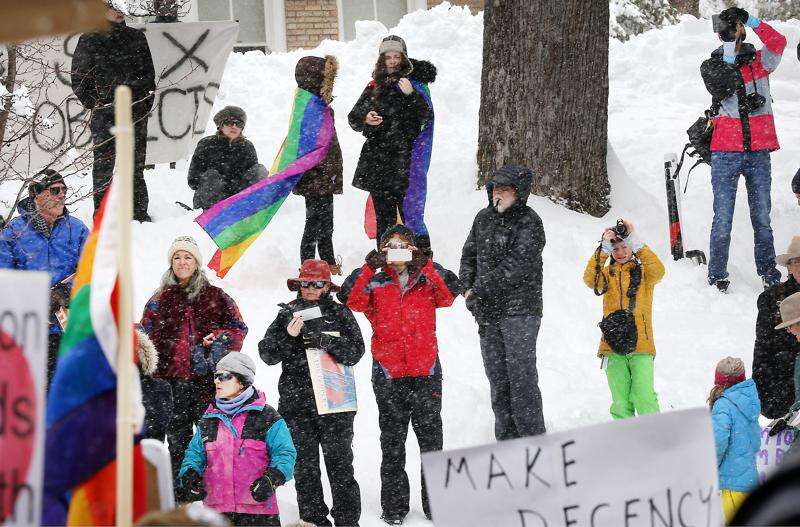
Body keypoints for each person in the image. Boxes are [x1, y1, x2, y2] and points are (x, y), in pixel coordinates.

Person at [340, 224, 455, 525]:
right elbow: (352, 301)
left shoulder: (427, 280)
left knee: (432, 443)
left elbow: (447, 297)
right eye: (389, 244)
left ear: (413, 249)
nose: (396, 248)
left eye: (402, 244)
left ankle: (438, 505)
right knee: (392, 444)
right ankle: (393, 508)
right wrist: (369, 266)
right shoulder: (376, 283)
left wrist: (425, 264)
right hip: (389, 375)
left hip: (426, 372)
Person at [258, 259, 364, 527]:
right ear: (298, 284)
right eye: (306, 283)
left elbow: (356, 352)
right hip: (296, 405)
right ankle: (313, 520)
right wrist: (286, 335)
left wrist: (326, 341)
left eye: (318, 283)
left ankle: (348, 521)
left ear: (327, 285)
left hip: (335, 403)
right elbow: (267, 354)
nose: (311, 288)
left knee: (340, 467)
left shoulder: (341, 314)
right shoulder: (287, 314)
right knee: (304, 468)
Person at [139, 236, 248, 492]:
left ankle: (217, 493)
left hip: (208, 383)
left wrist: (219, 341)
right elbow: (144, 339)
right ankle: (182, 496)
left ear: (197, 262)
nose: (182, 262)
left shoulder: (216, 296)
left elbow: (238, 328)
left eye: (187, 256)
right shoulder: (159, 300)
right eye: (176, 257)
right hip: (171, 384)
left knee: (212, 439)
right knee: (178, 441)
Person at [700, 7, 787, 292]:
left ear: (741, 28)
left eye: (732, 25)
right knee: (723, 217)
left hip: (758, 151)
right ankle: (717, 274)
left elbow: (779, 42)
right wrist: (727, 45)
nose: (726, 29)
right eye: (723, 27)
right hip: (725, 152)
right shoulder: (711, 64)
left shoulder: (760, 62)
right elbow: (722, 83)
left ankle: (769, 273)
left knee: (762, 217)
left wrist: (751, 19)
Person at [459, 165, 547, 439]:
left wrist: (479, 290)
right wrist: (467, 289)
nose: (498, 193)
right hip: (488, 313)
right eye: (495, 188)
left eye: (505, 188)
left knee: (522, 379)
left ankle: (533, 443)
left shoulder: (530, 222)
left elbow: (516, 266)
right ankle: (507, 443)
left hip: (520, 311)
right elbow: (468, 256)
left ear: (519, 192)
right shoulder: (482, 219)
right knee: (498, 380)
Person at [178, 353, 296, 527]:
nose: (217, 381)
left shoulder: (267, 416)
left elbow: (285, 453)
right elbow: (194, 454)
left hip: (259, 513)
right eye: (215, 376)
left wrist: (272, 479)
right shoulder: (209, 419)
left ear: (242, 382)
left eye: (224, 376)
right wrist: (189, 474)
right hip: (215, 515)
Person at [0, 169, 89, 389]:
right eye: (55, 190)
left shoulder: (77, 229)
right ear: (36, 195)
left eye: (64, 190)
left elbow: (94, 271)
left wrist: (64, 293)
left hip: (69, 328)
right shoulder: (14, 231)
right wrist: (36, 296)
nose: (62, 195)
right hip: (29, 330)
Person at [348, 35, 436, 247]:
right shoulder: (373, 86)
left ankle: (416, 261)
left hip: (403, 163)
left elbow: (424, 117)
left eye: (397, 56)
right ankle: (385, 263)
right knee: (384, 219)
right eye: (388, 57)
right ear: (382, 59)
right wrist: (366, 118)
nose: (393, 61)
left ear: (404, 58)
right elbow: (353, 118)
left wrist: (411, 95)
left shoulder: (412, 85)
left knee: (408, 218)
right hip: (377, 163)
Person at [71, 2, 155, 221]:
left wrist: (144, 104)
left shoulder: (136, 38)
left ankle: (138, 212)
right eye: (112, 6)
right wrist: (96, 103)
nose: (117, 11)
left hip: (135, 112)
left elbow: (148, 77)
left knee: (135, 165)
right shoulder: (89, 39)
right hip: (105, 113)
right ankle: (103, 214)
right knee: (104, 166)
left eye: (120, 6)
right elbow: (79, 78)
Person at [582, 219, 665, 420]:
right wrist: (603, 248)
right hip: (612, 345)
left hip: (641, 345)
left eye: (624, 246)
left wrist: (635, 240)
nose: (620, 253)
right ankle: (626, 441)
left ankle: (655, 438)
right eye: (615, 249)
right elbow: (589, 279)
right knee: (620, 401)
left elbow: (659, 271)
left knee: (644, 396)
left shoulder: (644, 273)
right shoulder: (607, 275)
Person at [292, 56, 344, 274]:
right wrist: (324, 171)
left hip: (323, 176)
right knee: (315, 223)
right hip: (316, 176)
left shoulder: (316, 104)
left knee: (325, 223)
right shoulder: (311, 107)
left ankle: (328, 261)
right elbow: (311, 146)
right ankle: (308, 265)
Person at [709, 357, 761, 523]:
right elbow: (755, 441)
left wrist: (709, 467)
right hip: (750, 479)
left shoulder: (723, 405)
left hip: (732, 481)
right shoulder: (749, 402)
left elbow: (718, 442)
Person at [753, 236, 800, 419]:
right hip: (783, 383)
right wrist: (764, 392)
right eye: (797, 261)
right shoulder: (772, 298)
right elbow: (762, 347)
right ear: (788, 266)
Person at [187, 106, 267, 211]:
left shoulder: (247, 147)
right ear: (221, 125)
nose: (234, 126)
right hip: (210, 201)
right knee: (211, 175)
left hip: (237, 200)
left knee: (260, 170)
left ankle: (252, 209)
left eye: (239, 124)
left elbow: (252, 176)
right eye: (229, 122)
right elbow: (193, 180)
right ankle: (211, 213)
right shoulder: (206, 144)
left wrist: (235, 190)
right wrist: (218, 184)